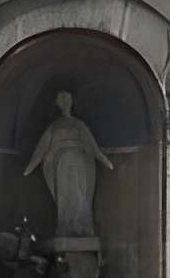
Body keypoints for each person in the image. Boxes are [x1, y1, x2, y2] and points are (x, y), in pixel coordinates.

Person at [22, 88, 114, 240]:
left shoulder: (79, 125)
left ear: (71, 103)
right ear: (58, 104)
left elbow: (92, 147)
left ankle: (81, 227)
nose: (65, 103)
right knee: (65, 196)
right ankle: (66, 227)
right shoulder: (53, 127)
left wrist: (106, 161)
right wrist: (30, 167)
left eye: (67, 100)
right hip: (61, 164)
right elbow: (41, 150)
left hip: (79, 164)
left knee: (80, 195)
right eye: (62, 101)